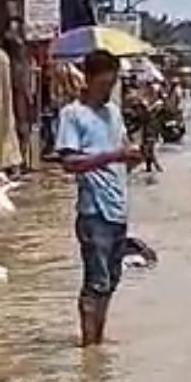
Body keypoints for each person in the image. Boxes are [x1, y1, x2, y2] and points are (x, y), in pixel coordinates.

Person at [56, 50, 144, 347]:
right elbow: (69, 163)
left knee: (111, 283)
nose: (110, 90)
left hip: (117, 207)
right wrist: (113, 156)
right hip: (93, 211)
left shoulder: (114, 112)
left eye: (113, 83)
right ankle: (88, 346)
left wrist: (131, 156)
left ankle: (97, 343)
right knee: (97, 282)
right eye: (106, 84)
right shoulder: (72, 115)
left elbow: (121, 149)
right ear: (90, 80)